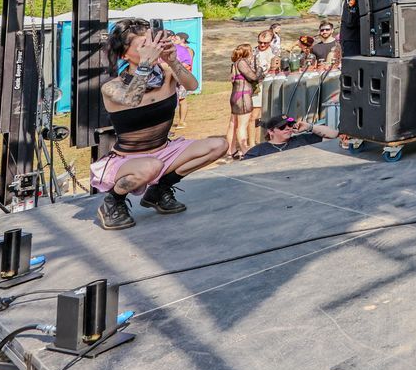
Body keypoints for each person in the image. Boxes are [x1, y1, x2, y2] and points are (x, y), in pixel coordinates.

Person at [93, 20, 228, 230]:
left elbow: (192, 85)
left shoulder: (165, 75)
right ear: (124, 55)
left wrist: (173, 61)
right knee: (151, 166)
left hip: (165, 150)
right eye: (143, 46)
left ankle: (159, 190)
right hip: (128, 159)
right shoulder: (112, 87)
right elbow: (132, 99)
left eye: (151, 42)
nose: (152, 49)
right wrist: (145, 64)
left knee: (219, 145)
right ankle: (113, 201)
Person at [244, 114, 346, 159]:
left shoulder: (302, 139)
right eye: (282, 127)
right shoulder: (257, 151)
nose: (288, 128)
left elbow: (334, 135)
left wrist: (309, 126)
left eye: (290, 125)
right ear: (271, 131)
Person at [228, 44, 261, 157]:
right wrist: (260, 70)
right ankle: (244, 149)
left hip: (236, 95)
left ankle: (231, 150)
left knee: (233, 123)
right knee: (242, 125)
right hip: (243, 96)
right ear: (247, 52)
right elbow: (253, 77)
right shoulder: (241, 62)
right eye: (251, 51)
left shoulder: (234, 64)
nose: (252, 53)